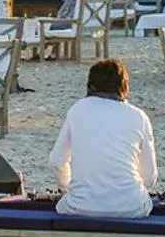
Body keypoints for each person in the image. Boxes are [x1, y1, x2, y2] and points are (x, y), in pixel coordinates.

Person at [48, 59, 158, 218]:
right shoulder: (139, 116)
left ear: (91, 85)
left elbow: (57, 161)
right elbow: (149, 177)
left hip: (80, 206)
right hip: (131, 207)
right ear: (124, 86)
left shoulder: (77, 110)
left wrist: (67, 189)